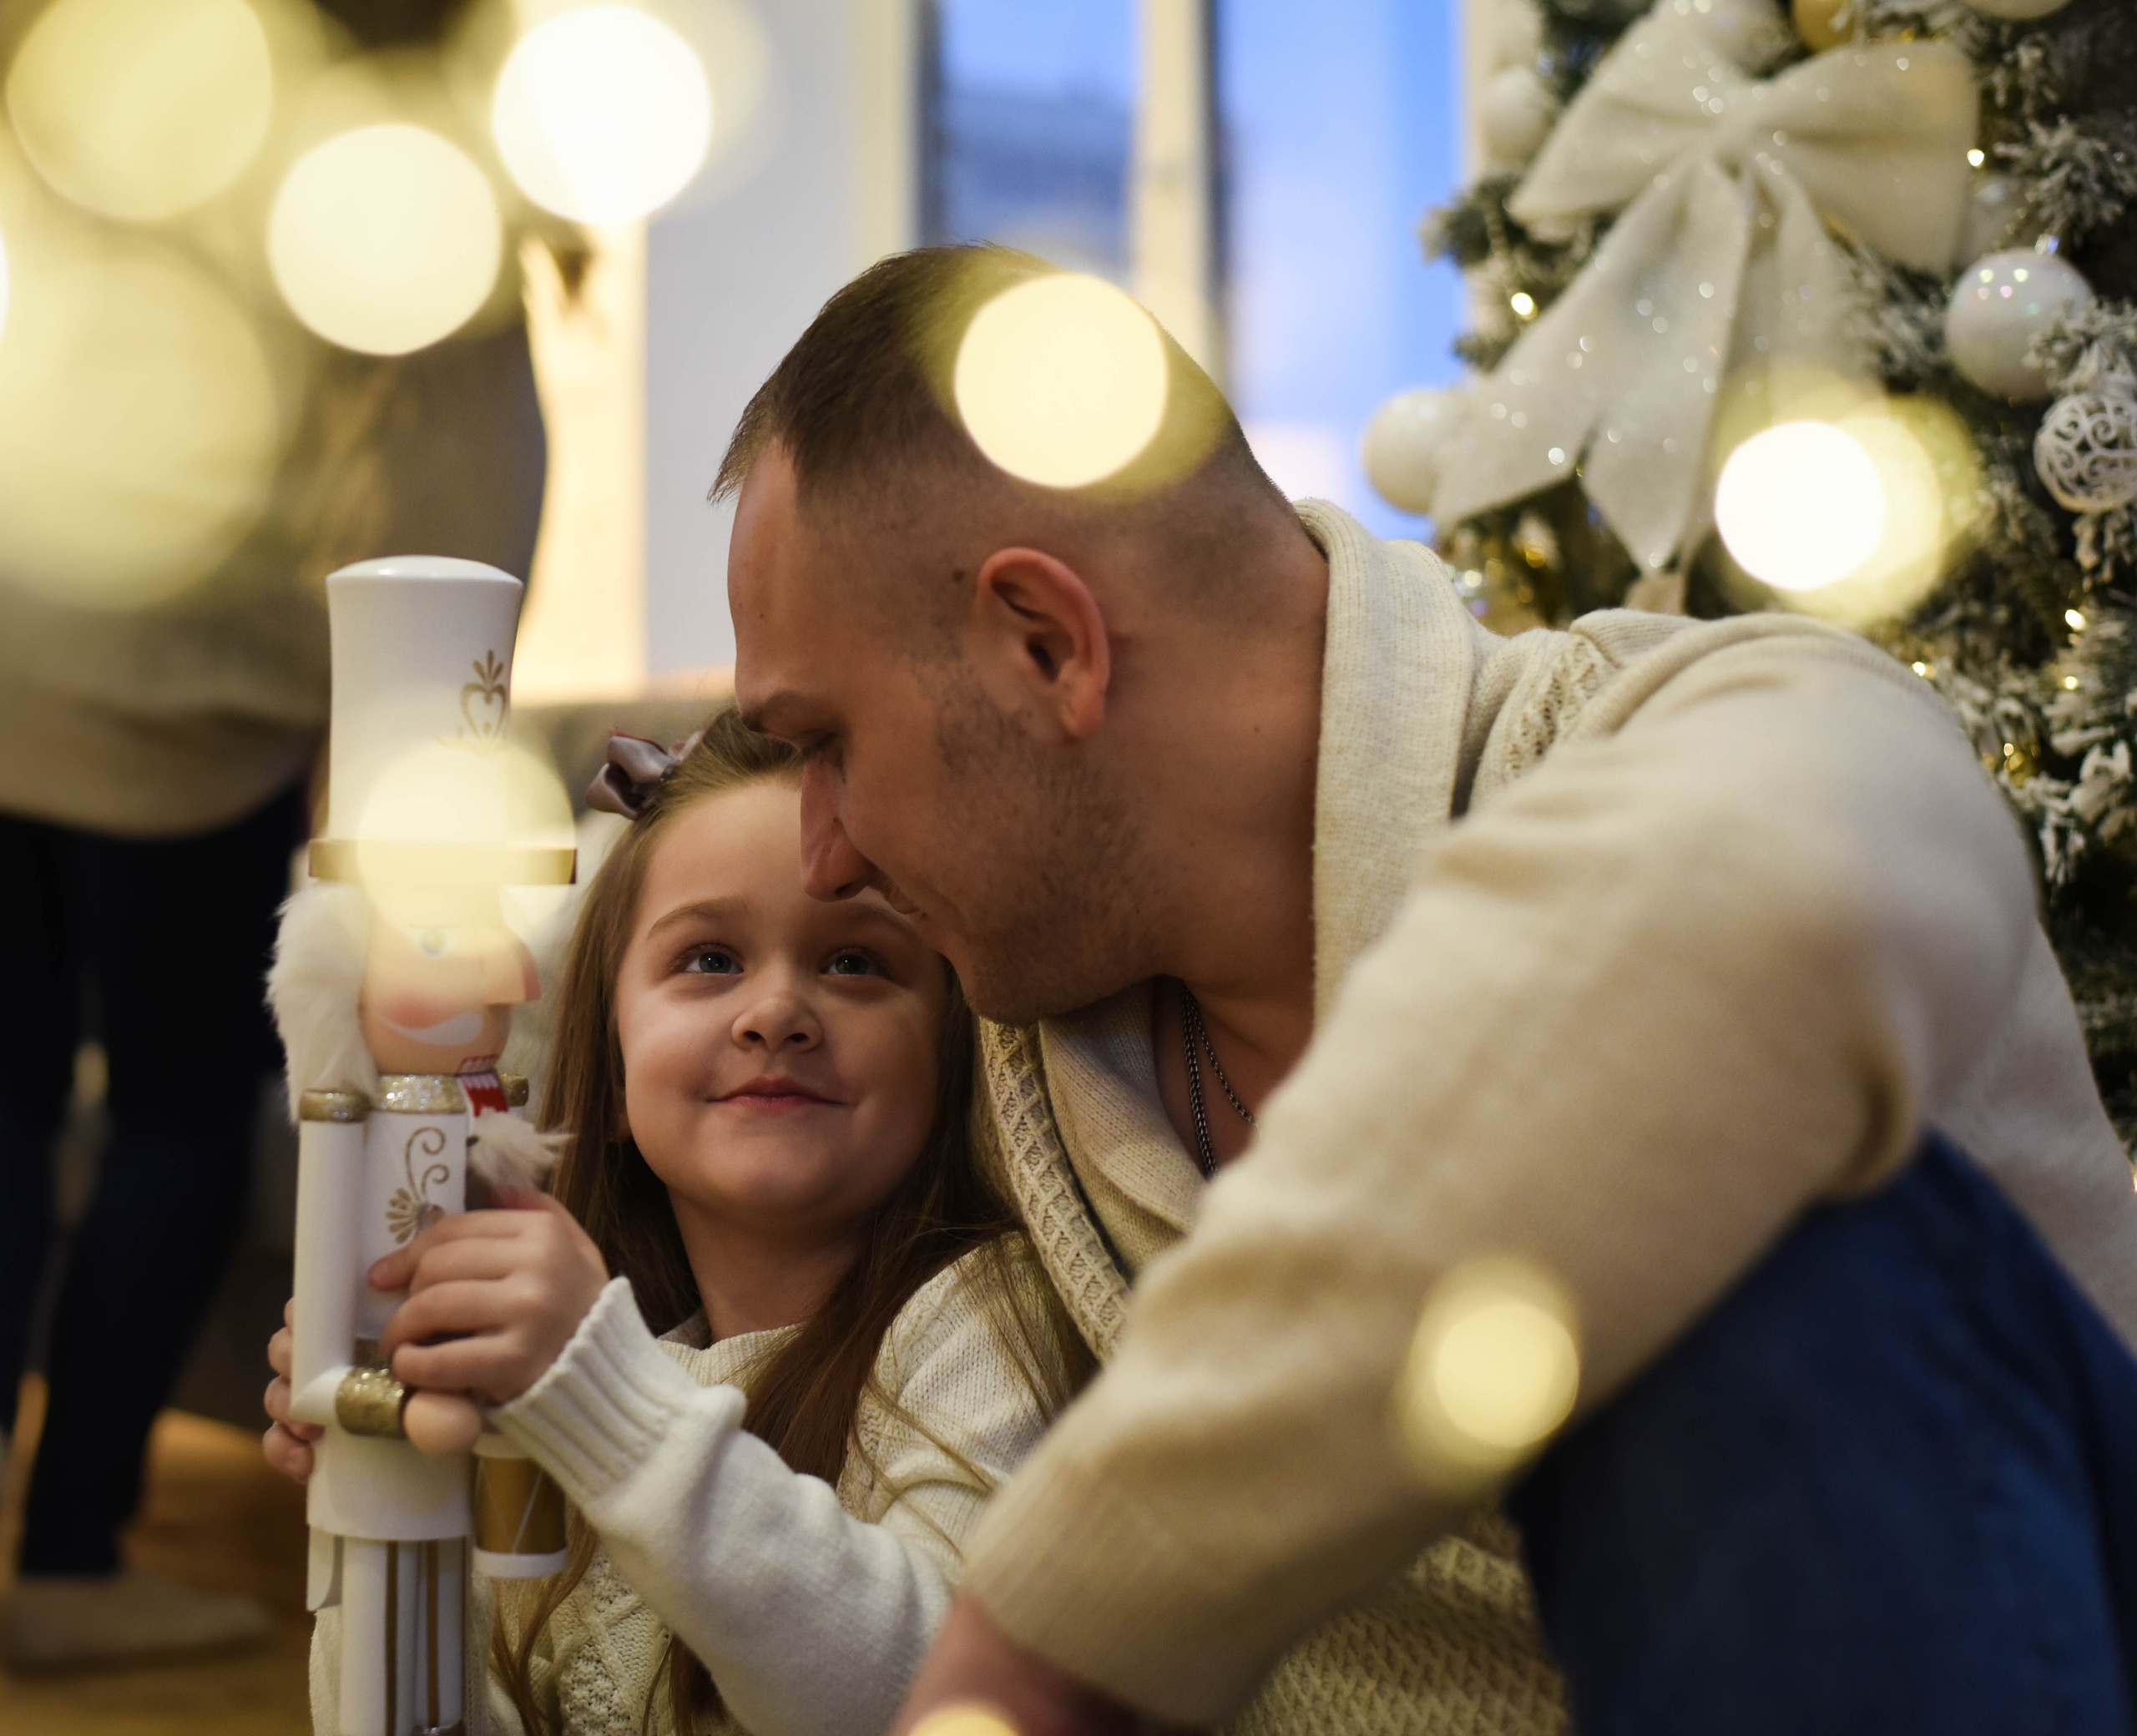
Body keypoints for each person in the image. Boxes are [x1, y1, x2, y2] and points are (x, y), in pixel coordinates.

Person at [715, 245, 2137, 1734]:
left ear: (1046, 644)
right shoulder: (1039, 1050)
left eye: (825, 744)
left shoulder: (1726, 724)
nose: (821, 855)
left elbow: (1759, 930)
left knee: (1759, 1259)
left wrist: (1059, 1625)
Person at [264, 707, 1090, 1734]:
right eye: (708, 960)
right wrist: (391, 1500)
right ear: (607, 1068)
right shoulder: (557, 1388)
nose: (774, 1010)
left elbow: (935, 1697)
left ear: (953, 1051)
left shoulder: (983, 1320)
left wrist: (601, 1393)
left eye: (854, 963)